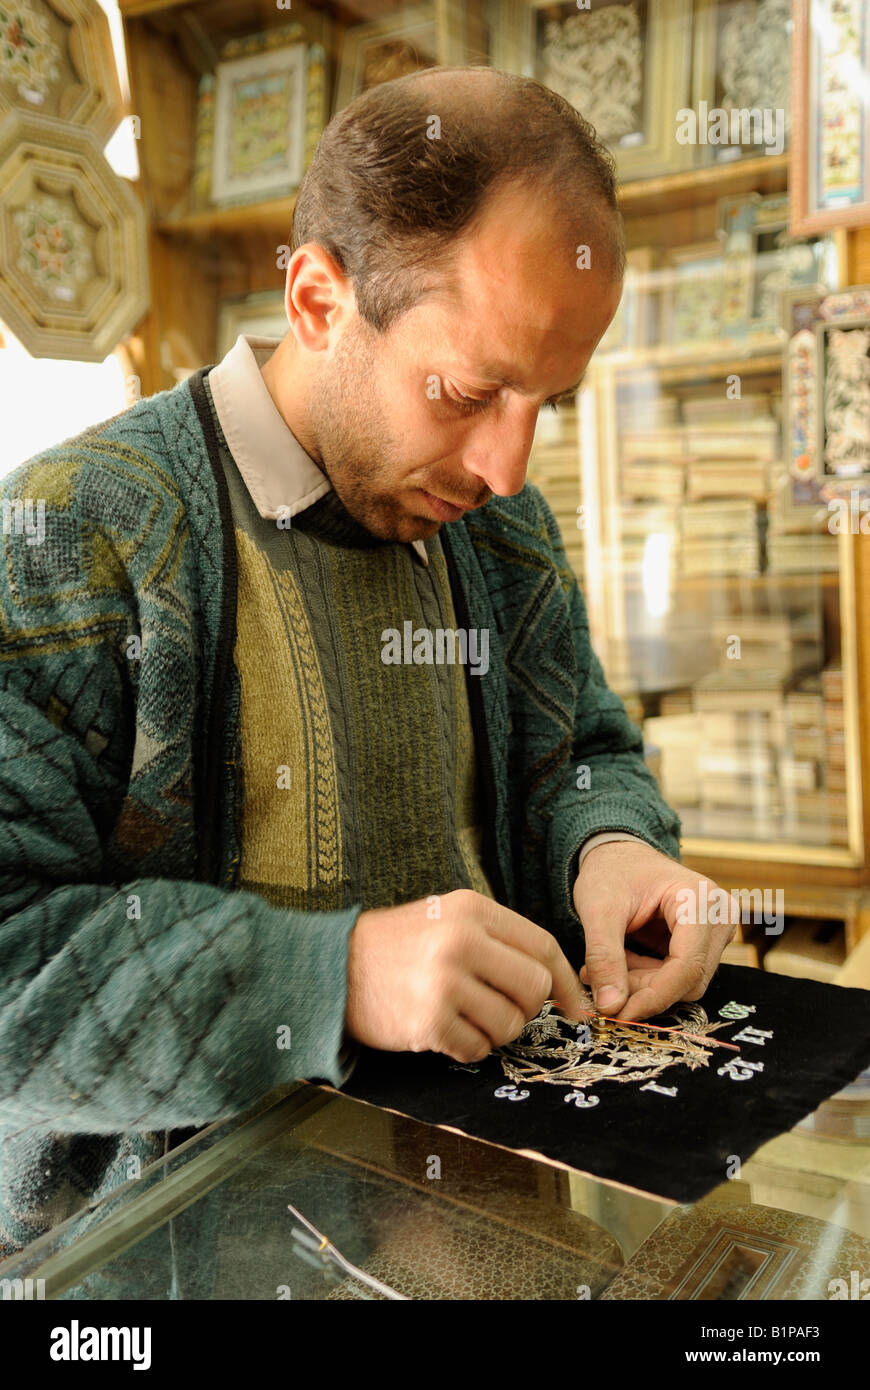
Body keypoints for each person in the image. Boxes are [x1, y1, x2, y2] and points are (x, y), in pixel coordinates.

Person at [0, 65, 734, 1257]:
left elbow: (580, 754)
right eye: (464, 390)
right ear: (316, 299)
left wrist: (611, 845)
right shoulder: (72, 536)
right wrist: (327, 980)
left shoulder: (498, 533)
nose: (507, 464)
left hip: (486, 1220)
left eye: (550, 400)